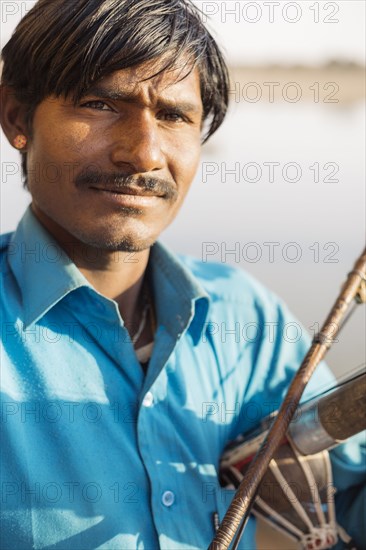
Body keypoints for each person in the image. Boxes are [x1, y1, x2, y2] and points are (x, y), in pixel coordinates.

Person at [0, 1, 364, 549]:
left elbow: (348, 499)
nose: (143, 152)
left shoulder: (246, 317)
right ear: (16, 118)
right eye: (99, 104)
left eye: (173, 116)